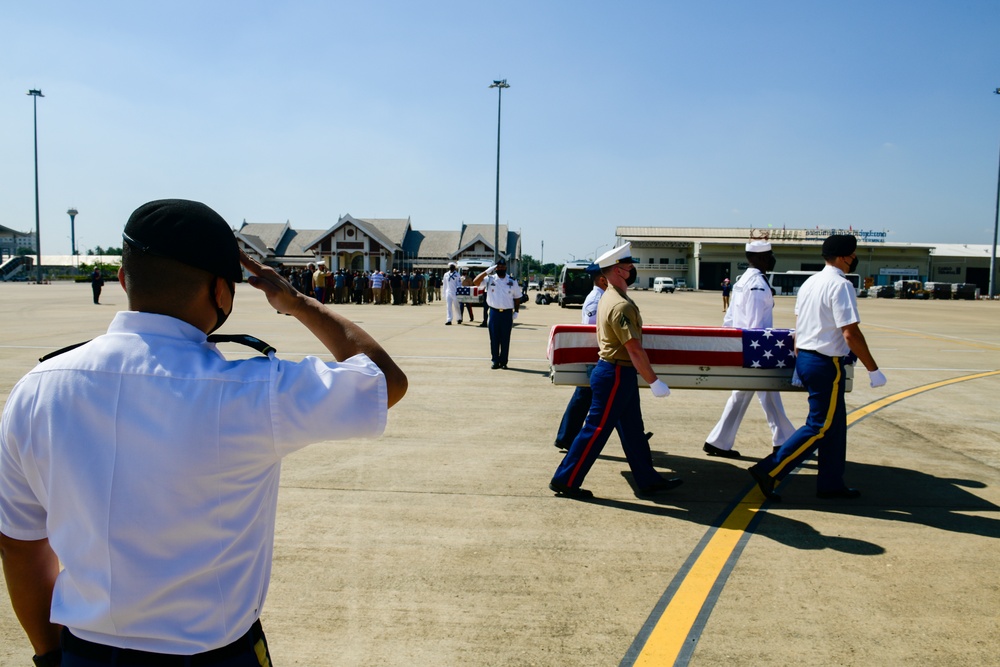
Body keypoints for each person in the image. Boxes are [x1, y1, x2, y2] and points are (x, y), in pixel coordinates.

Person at [0, 199, 407, 666]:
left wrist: (52, 656)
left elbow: (18, 543)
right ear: (221, 292)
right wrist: (297, 302)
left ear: (123, 280)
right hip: (215, 656)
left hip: (85, 652)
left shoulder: (36, 390)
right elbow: (385, 380)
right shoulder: (254, 393)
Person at [748, 234, 886, 503]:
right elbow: (850, 333)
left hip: (808, 357)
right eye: (853, 254)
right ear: (845, 257)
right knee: (820, 426)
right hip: (826, 363)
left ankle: (831, 483)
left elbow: (800, 326)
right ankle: (769, 469)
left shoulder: (810, 282)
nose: (854, 258)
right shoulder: (841, 285)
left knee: (834, 428)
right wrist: (873, 368)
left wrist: (801, 360)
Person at [550, 243, 682, 499]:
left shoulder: (611, 296)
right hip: (616, 374)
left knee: (633, 430)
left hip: (618, 374)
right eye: (629, 266)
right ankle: (565, 479)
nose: (633, 270)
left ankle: (648, 478)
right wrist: (654, 381)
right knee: (596, 430)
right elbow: (634, 349)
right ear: (620, 271)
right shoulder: (620, 305)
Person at [703, 240, 796, 459]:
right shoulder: (757, 284)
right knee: (762, 392)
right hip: (755, 350)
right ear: (762, 258)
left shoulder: (742, 281)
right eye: (770, 255)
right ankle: (784, 440)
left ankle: (719, 442)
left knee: (755, 394)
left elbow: (729, 320)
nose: (773, 259)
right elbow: (755, 325)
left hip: (746, 348)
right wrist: (752, 351)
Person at [552, 263, 606, 449]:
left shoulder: (602, 297)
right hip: (596, 356)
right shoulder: (597, 300)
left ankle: (565, 437)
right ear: (602, 279)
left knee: (585, 397)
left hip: (597, 357)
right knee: (599, 400)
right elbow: (593, 332)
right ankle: (566, 437)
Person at [473, 257, 522, 369]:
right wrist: (486, 272)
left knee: (505, 338)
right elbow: (476, 282)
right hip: (494, 313)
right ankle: (495, 360)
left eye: (502, 266)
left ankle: (504, 362)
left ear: (506, 267)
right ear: (495, 268)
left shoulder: (512, 281)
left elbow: (517, 298)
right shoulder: (490, 279)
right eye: (498, 266)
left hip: (507, 313)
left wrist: (516, 311)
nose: (501, 268)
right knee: (494, 338)